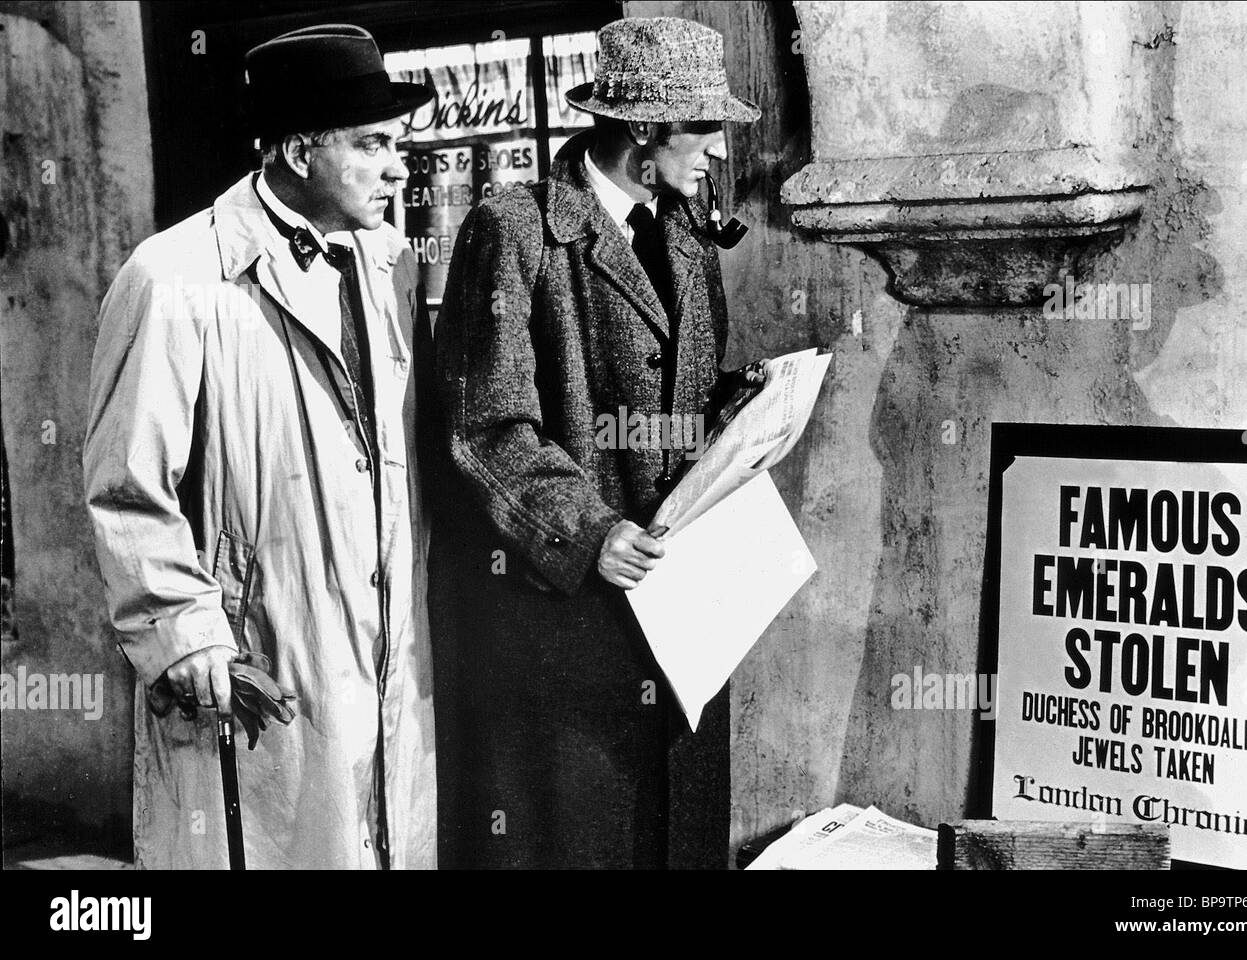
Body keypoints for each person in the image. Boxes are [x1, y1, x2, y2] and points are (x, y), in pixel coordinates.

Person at [84, 24, 437, 869]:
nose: (399, 167)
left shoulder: (392, 264)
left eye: (399, 144)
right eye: (374, 144)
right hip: (261, 657)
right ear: (296, 149)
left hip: (387, 651)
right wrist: (184, 632)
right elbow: (126, 484)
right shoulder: (174, 278)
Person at [430, 15, 765, 869]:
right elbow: (485, 423)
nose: (715, 152)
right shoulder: (514, 230)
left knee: (677, 834)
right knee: (579, 838)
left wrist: (747, 408)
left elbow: (677, 393)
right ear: (644, 129)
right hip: (567, 609)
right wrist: (587, 531)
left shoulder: (686, 235)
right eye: (702, 128)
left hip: (682, 605)